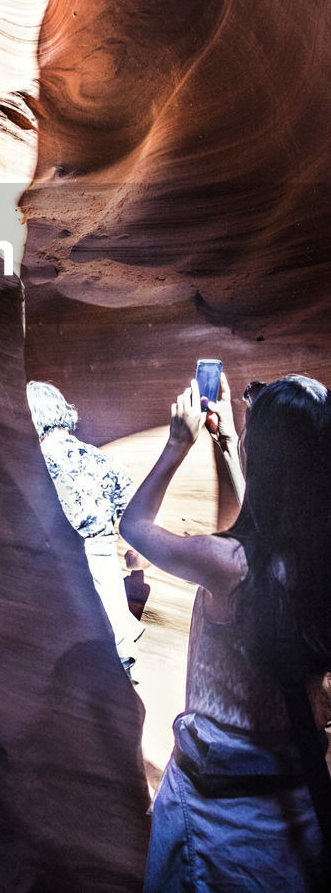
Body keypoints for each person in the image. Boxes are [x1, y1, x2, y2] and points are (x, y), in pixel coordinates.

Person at [120, 372, 331, 892]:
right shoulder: (317, 565)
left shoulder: (224, 565)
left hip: (215, 806)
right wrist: (232, 447)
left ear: (267, 459)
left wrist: (177, 443)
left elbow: (135, 528)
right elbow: (271, 528)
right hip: (294, 798)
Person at [26, 380, 143, 676]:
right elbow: (137, 523)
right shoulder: (103, 459)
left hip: (54, 573)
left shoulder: (32, 462)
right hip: (104, 564)